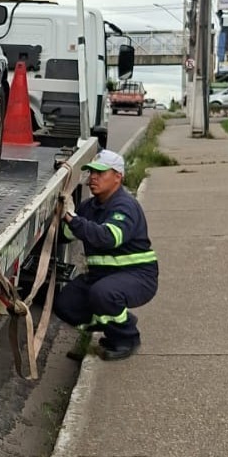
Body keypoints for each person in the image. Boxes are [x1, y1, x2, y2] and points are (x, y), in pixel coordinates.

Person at [55, 149, 158, 361]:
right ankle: (114, 323)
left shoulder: (125, 206)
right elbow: (67, 234)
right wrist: (58, 216)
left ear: (118, 177)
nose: (93, 177)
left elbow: (108, 237)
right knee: (65, 304)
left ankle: (126, 337)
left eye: (101, 173)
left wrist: (72, 219)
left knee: (103, 294)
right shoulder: (89, 207)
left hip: (137, 276)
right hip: (103, 276)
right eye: (91, 172)